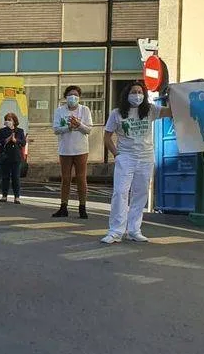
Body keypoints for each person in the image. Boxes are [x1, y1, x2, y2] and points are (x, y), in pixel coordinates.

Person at [102, 82, 171, 244]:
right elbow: (107, 137)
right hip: (125, 157)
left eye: (140, 92)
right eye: (134, 92)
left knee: (140, 194)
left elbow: (172, 112)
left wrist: (172, 95)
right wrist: (116, 154)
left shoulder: (150, 110)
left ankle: (134, 230)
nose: (137, 95)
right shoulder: (117, 113)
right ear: (127, 94)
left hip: (146, 157)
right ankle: (115, 231)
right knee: (120, 193)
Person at [52, 86, 93, 219]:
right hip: (65, 149)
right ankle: (63, 207)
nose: (73, 97)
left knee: (81, 178)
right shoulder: (60, 111)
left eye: (75, 95)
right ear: (66, 97)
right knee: (66, 178)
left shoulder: (84, 110)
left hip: (81, 149)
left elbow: (88, 130)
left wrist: (78, 125)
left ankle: (82, 207)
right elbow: (56, 129)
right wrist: (68, 127)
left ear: (79, 97)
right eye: (70, 95)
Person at [0, 113, 26, 205]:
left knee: (16, 177)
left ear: (14, 121)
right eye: (6, 119)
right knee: (5, 177)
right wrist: (6, 140)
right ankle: (4, 196)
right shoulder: (2, 131)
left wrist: (16, 140)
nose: (8, 121)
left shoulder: (20, 131)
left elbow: (23, 142)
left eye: (10, 120)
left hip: (16, 157)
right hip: (5, 157)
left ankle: (16, 197)